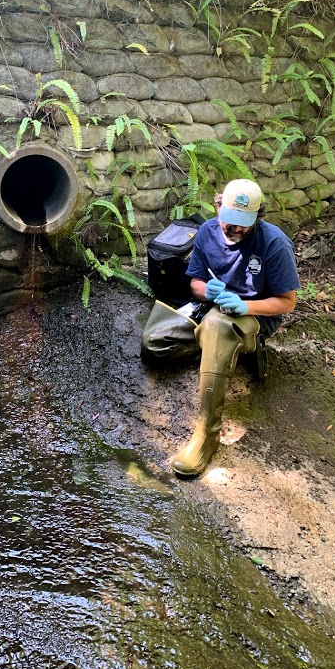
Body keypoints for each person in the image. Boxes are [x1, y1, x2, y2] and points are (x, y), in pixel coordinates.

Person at [141, 179, 300, 476]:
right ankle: (219, 352)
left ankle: (207, 434)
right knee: (154, 342)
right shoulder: (206, 233)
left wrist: (246, 306)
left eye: (244, 224)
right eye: (230, 221)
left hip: (254, 316)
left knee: (217, 325)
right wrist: (208, 292)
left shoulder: (274, 243)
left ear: (256, 217)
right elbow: (195, 283)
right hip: (213, 309)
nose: (235, 229)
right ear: (218, 207)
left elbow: (286, 302)